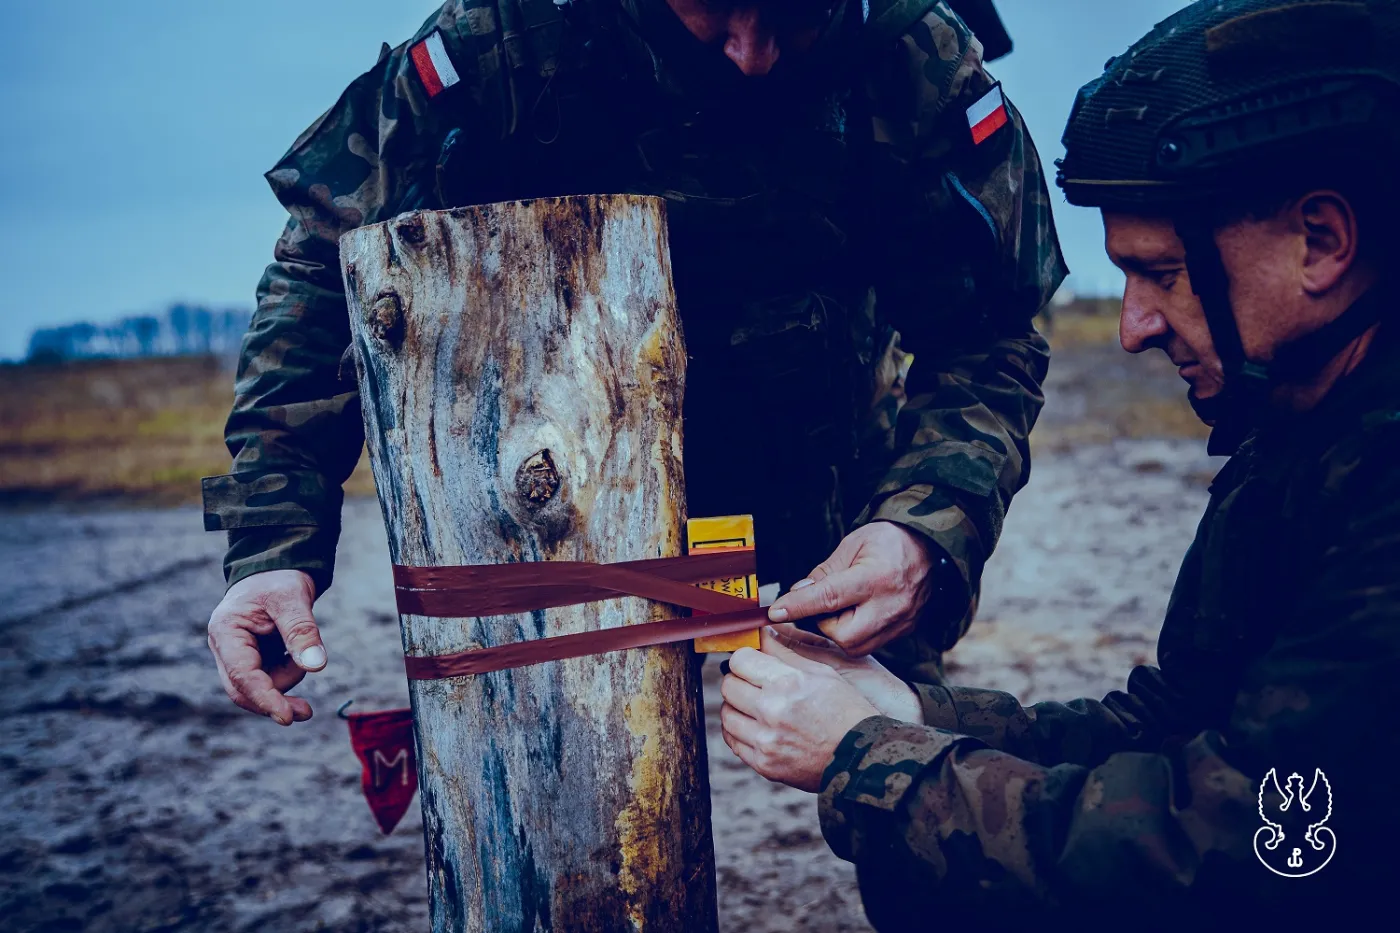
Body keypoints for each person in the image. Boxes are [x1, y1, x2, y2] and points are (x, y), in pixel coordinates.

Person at [720, 0, 1400, 923]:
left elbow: (1245, 850)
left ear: (1321, 240)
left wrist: (867, 760)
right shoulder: (1304, 433)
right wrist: (915, 718)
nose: (1131, 328)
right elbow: (1170, 731)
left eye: (1163, 273)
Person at [202, 0, 1066, 725]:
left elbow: (993, 328)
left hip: (838, 505)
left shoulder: (912, 55)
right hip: (558, 516)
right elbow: (328, 253)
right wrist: (276, 544)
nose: (752, 55)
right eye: (712, 9)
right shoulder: (510, 39)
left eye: (794, 13)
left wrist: (924, 527)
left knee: (913, 797)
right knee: (556, 829)